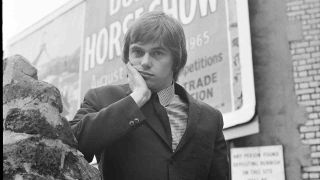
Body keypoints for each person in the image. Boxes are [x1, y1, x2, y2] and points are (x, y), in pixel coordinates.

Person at [70, 11, 229, 180]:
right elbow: (69, 143)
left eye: (157, 53)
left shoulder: (210, 118)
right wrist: (136, 98)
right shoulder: (102, 98)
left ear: (176, 61)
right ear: (127, 58)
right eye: (137, 52)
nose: (145, 62)